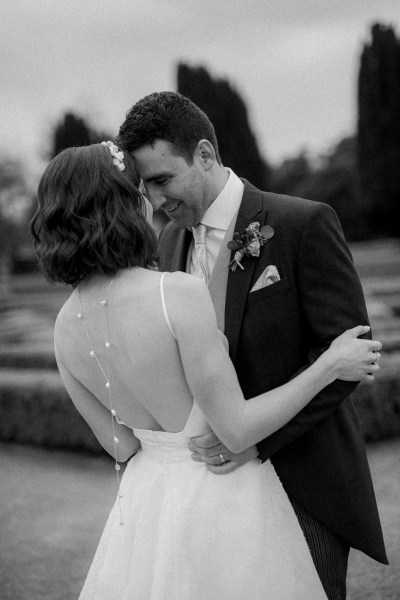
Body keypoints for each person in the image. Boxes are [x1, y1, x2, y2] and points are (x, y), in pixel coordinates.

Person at [30, 142, 381, 600]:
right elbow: (235, 430)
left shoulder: (63, 328)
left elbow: (122, 445)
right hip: (224, 497)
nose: (150, 201)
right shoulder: (176, 294)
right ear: (121, 205)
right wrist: (328, 365)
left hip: (145, 510)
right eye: (139, 190)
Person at [116, 91, 388, 600]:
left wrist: (253, 440)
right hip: (212, 490)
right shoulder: (167, 245)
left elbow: (348, 352)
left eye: (161, 180)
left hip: (304, 480)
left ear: (203, 154)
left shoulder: (301, 223)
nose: (154, 201)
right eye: (144, 186)